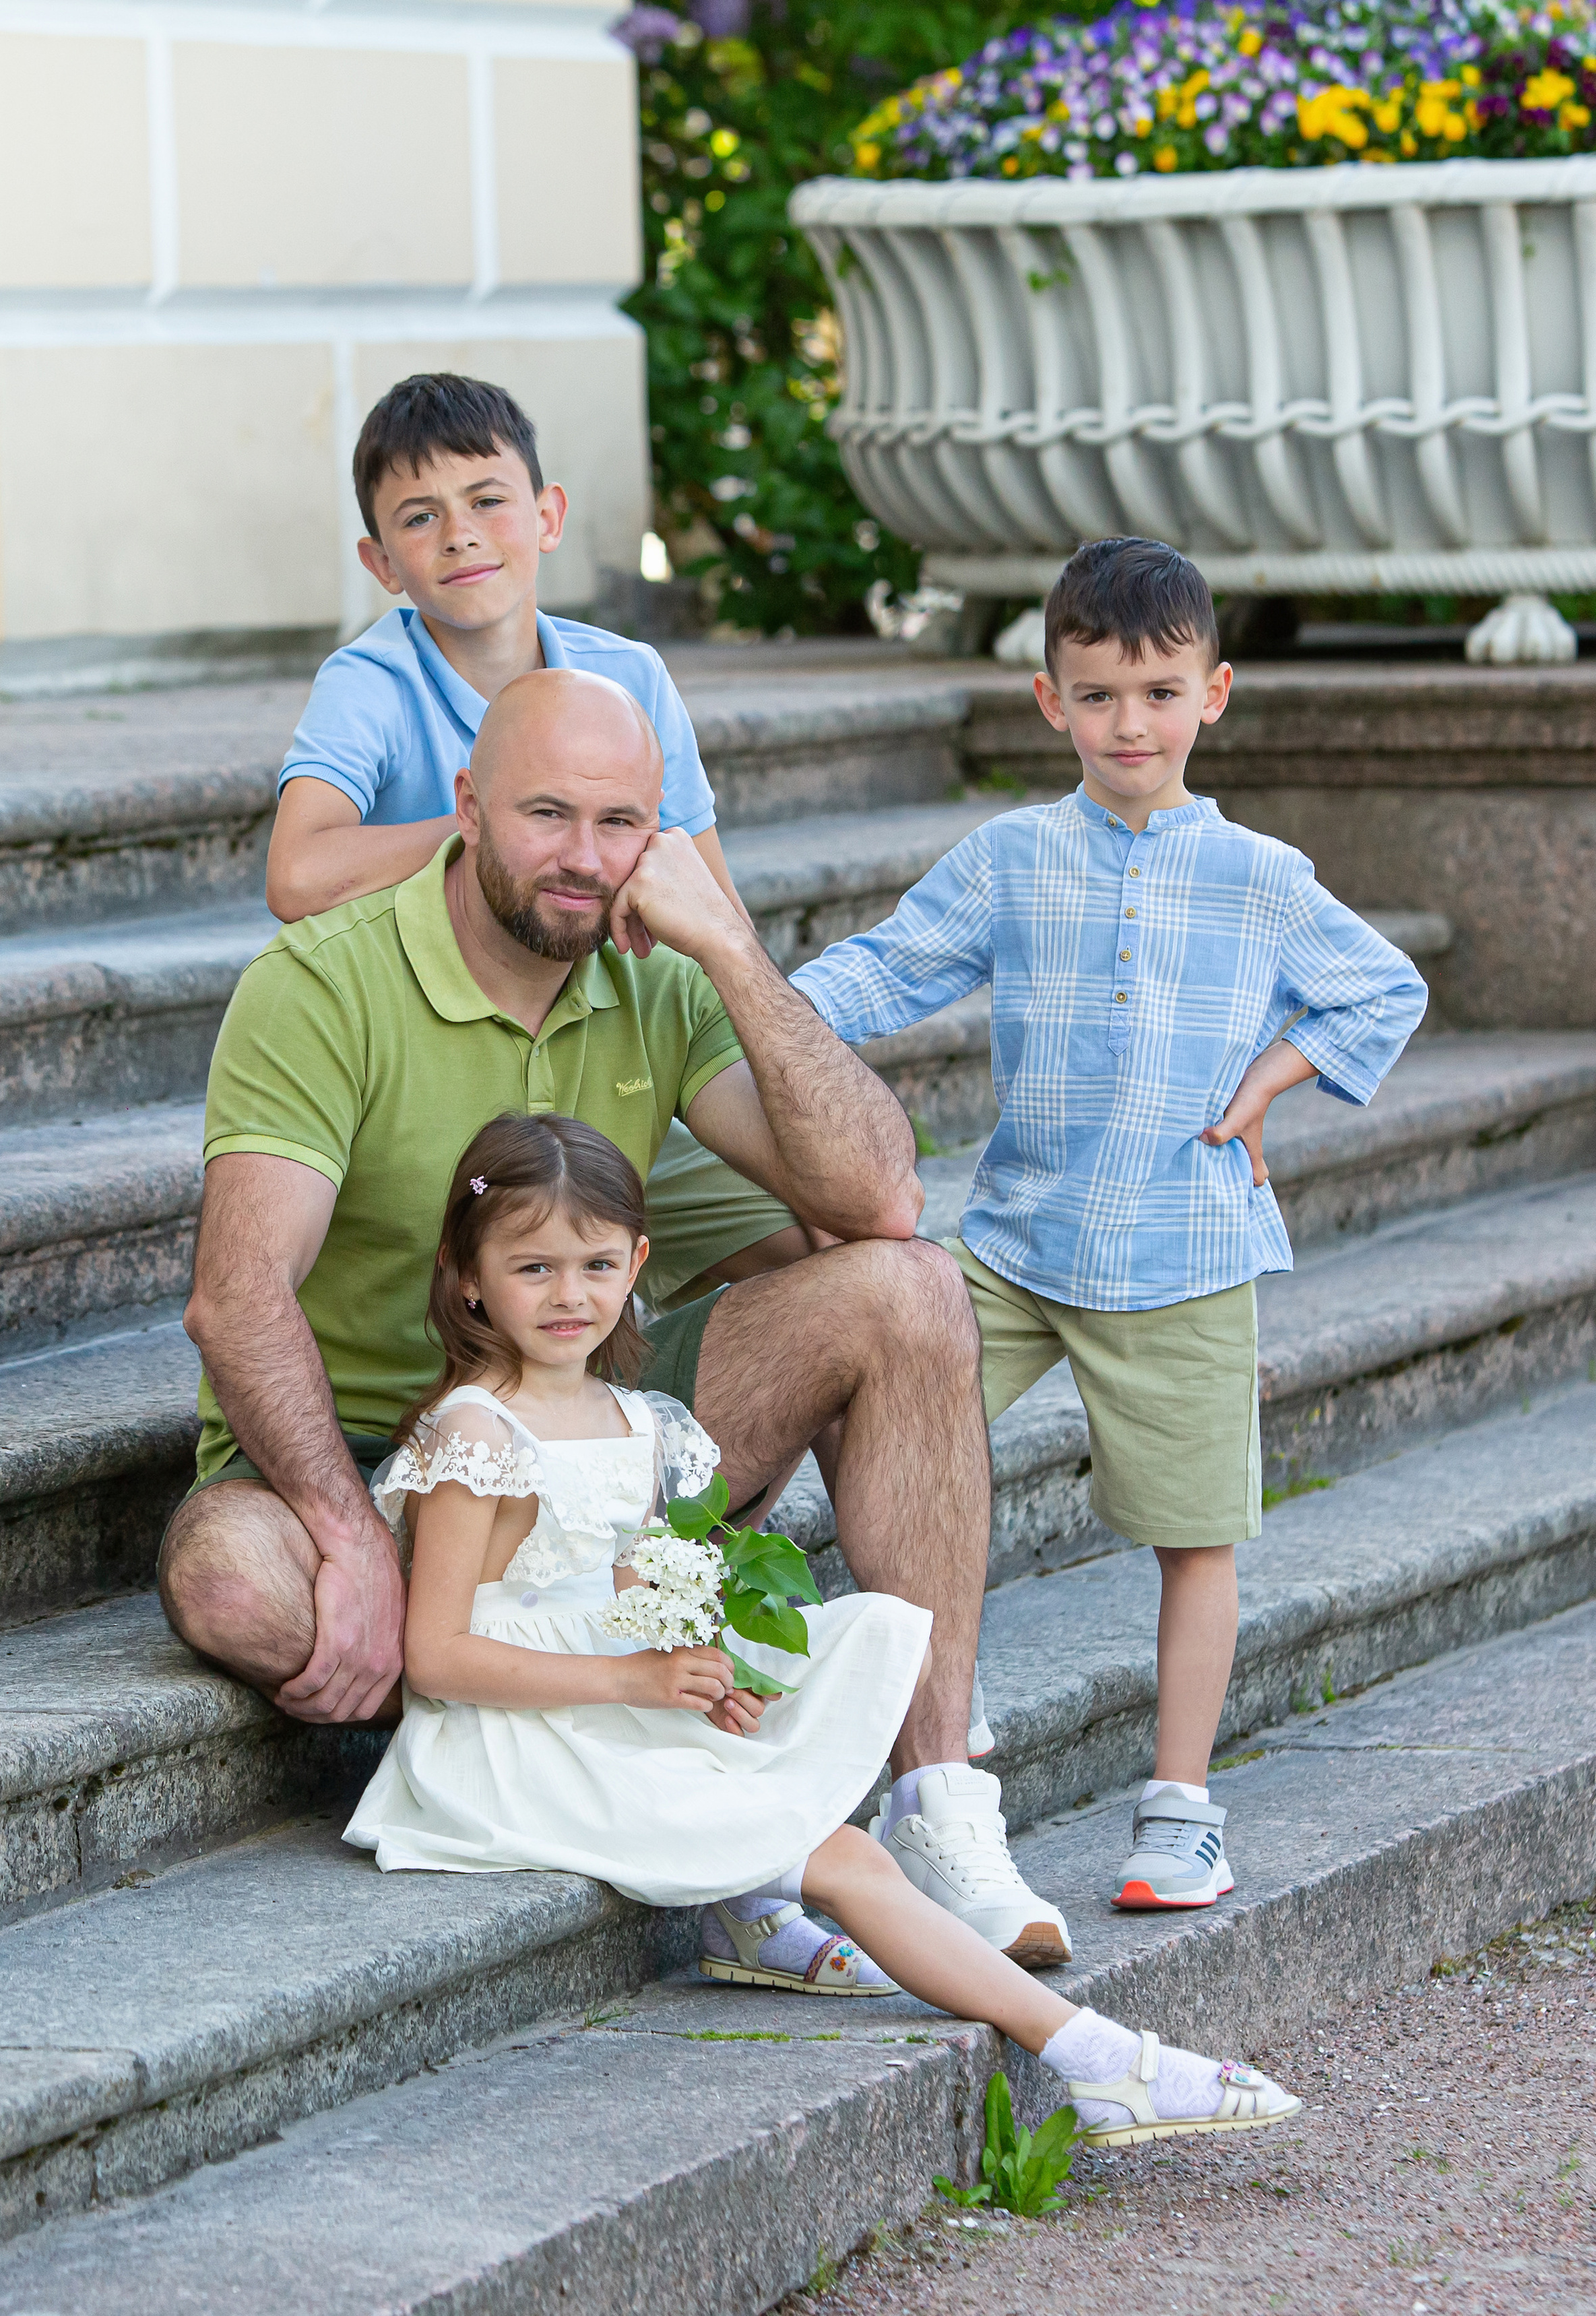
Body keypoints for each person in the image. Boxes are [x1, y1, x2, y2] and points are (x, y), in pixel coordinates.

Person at [160, 664, 1071, 1965]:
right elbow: (235, 1294)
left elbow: (878, 1192)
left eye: (622, 823)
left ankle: (939, 1803)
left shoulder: (657, 973)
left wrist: (733, 948)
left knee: (911, 1289)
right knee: (229, 1581)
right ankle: (585, 1707)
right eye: (547, 815)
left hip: (582, 1437)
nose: (585, 859)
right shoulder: (321, 984)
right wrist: (351, 1532)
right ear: (467, 806)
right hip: (359, 1452)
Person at [345, 1109, 1303, 2148]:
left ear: (638, 1263)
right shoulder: (476, 1433)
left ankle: (1041, 2029)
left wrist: (696, 1671)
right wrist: (636, 1683)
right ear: (469, 1276)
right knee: (848, 1857)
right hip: (506, 1747)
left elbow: (621, 1601)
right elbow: (435, 1656)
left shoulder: (635, 1418)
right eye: (532, 1267)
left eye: (595, 1263)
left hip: (600, 1706)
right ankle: (1098, 2059)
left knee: (833, 1679)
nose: (568, 1294)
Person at [792, 537, 1428, 1916]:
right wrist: (743, 997)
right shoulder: (1011, 858)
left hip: (1185, 1252)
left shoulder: (1260, 874)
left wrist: (1267, 1082)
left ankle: (1179, 1805)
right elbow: (882, 969)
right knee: (882, 1442)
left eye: (1155, 692)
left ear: (1212, 694)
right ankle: (922, 1744)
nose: (1126, 724)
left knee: (1194, 1533)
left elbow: (1378, 992)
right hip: (1016, 1243)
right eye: (1096, 696)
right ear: (1047, 702)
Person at [263, 368, 796, 1317]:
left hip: (611, 1046)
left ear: (547, 515)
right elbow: (298, 871)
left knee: (827, 1235)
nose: (460, 533)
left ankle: (715, 1468)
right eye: (418, 518)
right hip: (452, 1067)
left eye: (487, 501)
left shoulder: (627, 675)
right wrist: (506, 827)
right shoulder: (371, 683)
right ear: (381, 561)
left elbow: (716, 909)